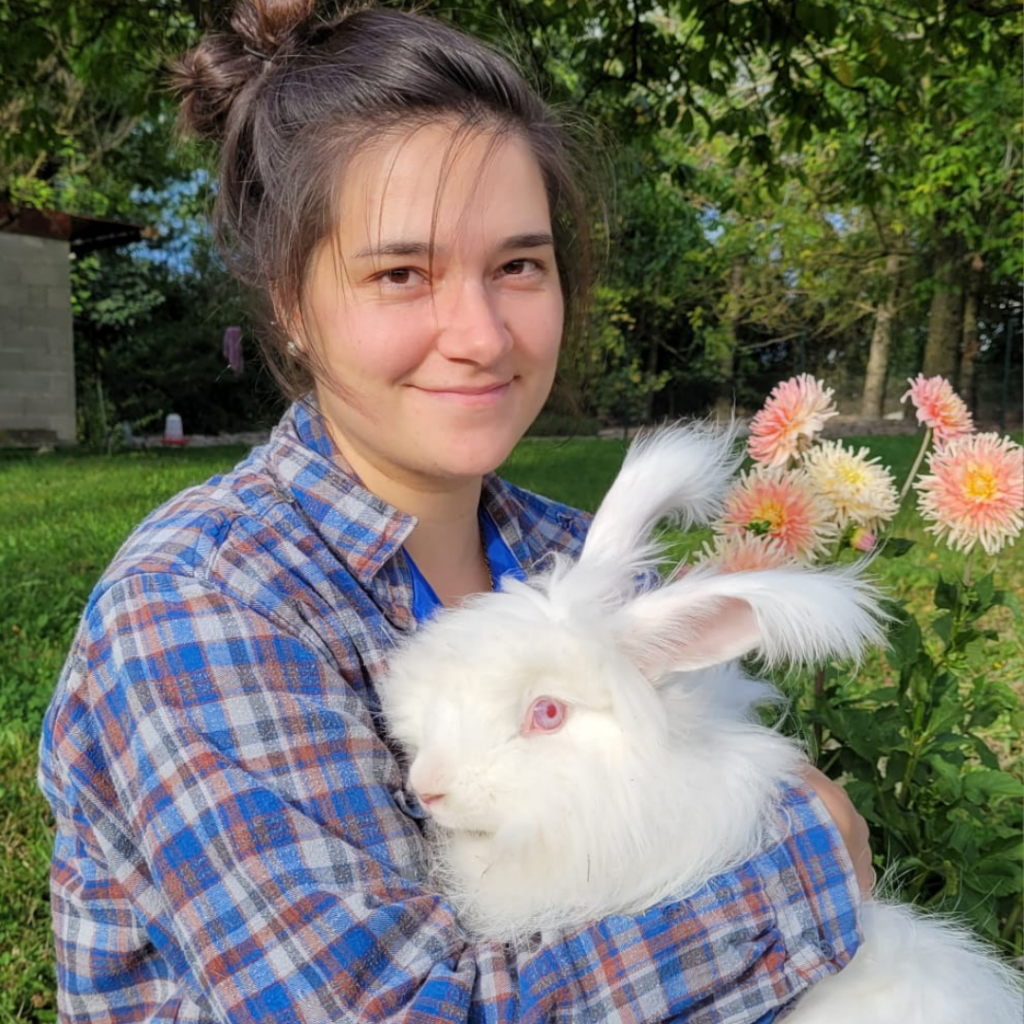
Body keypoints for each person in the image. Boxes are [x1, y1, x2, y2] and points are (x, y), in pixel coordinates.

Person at [38, 2, 873, 1022]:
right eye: (401, 273)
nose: (479, 334)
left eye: (518, 265)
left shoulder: (565, 558)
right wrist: (805, 878)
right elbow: (394, 1006)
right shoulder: (202, 604)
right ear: (292, 304)